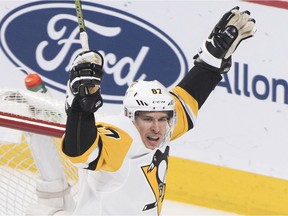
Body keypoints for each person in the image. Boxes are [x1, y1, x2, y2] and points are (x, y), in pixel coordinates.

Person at [61, 6, 256, 215]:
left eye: (162, 119)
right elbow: (80, 154)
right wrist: (81, 109)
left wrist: (210, 62)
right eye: (147, 119)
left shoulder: (164, 127)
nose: (156, 128)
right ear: (130, 117)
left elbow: (187, 98)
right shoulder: (123, 134)